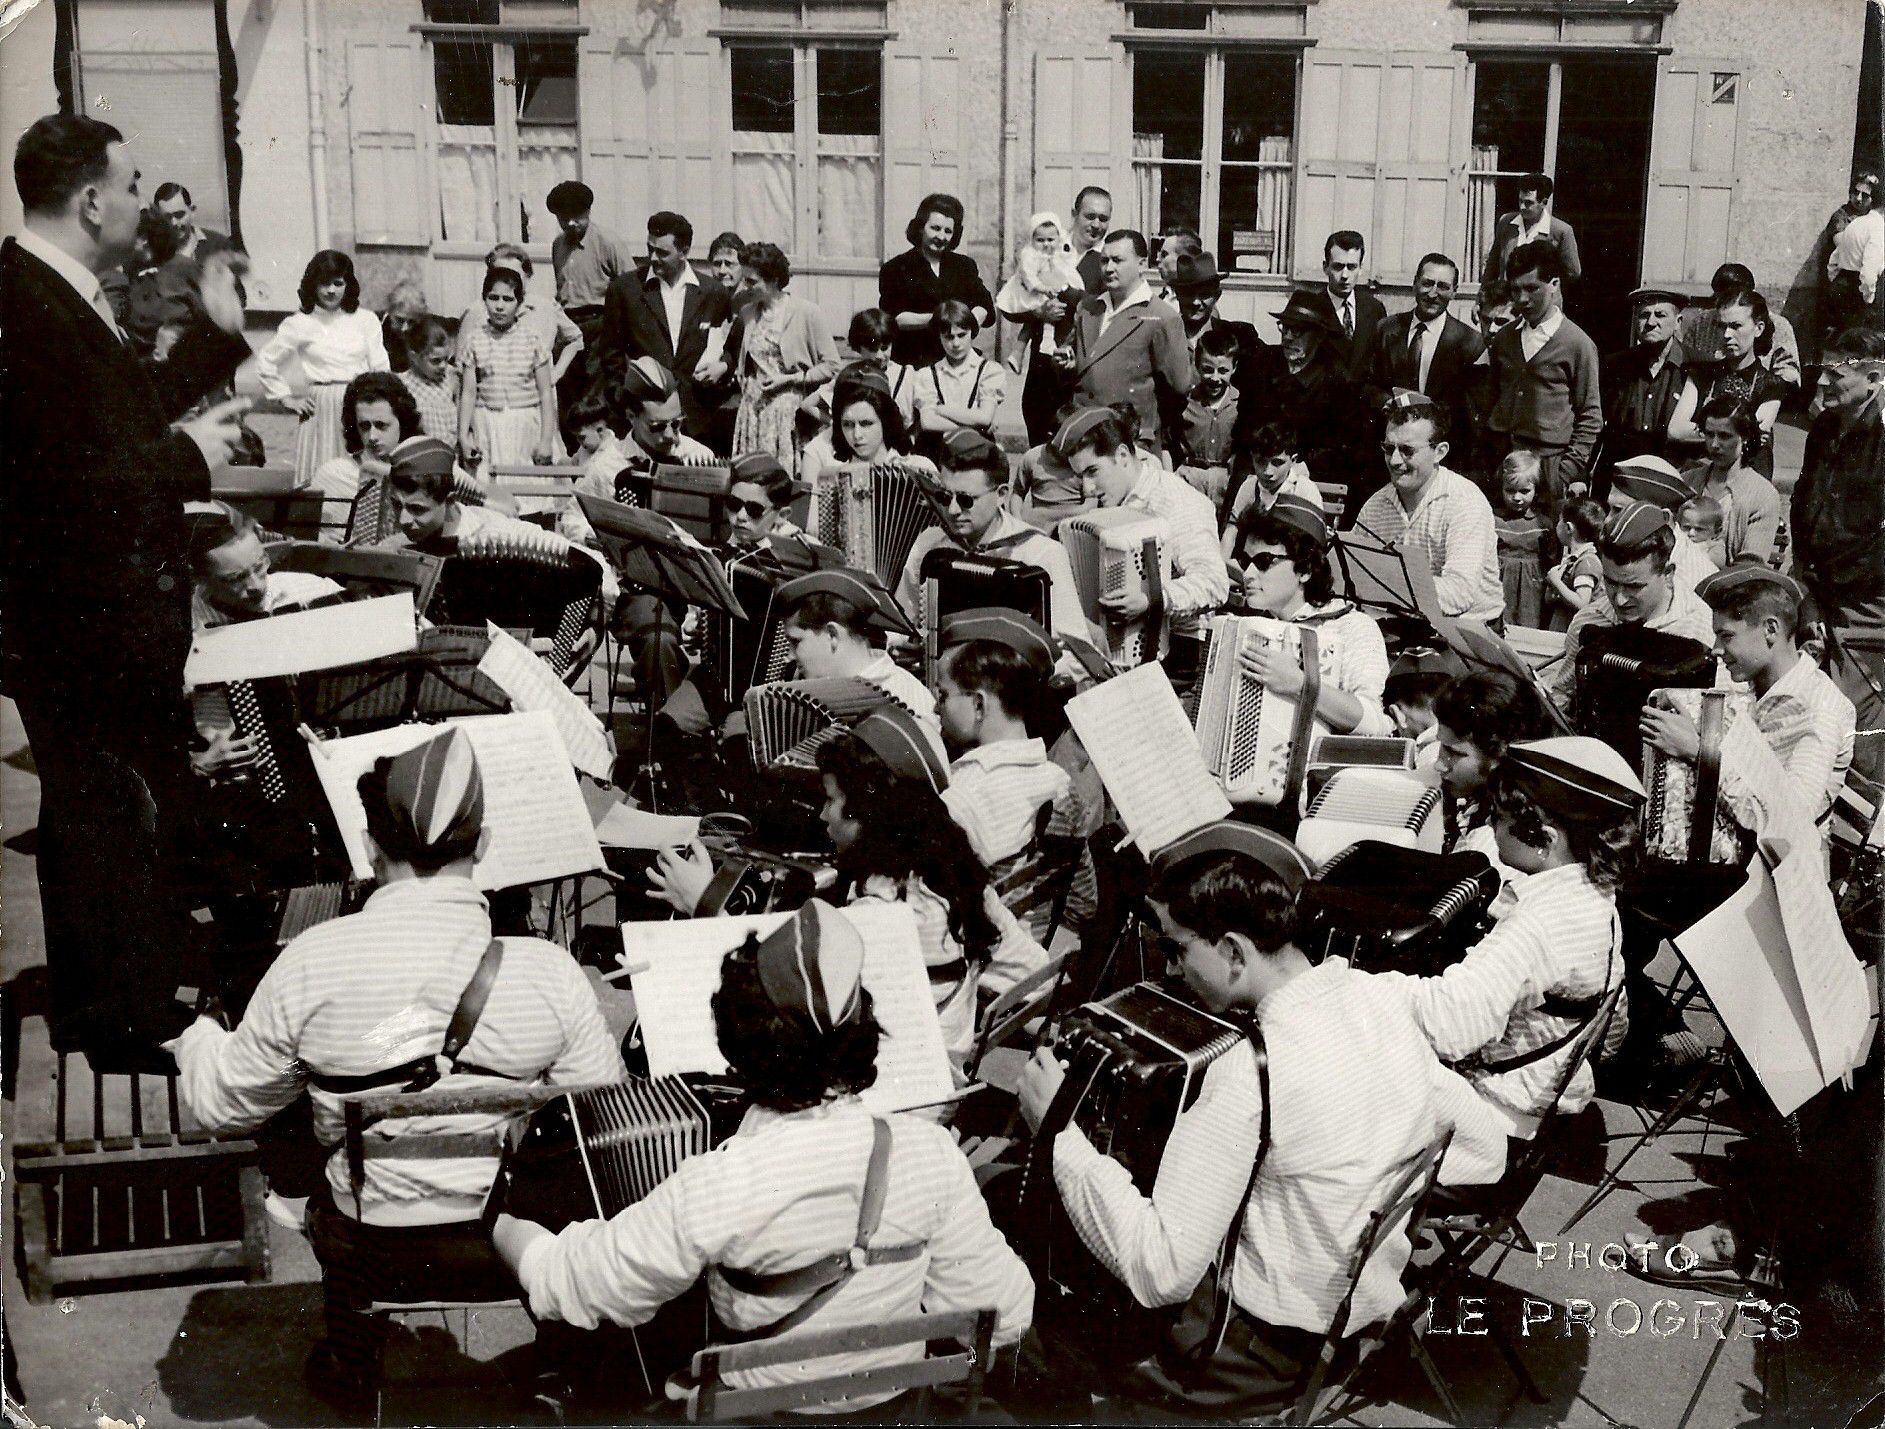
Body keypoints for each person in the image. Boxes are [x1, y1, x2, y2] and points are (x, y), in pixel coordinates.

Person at [166, 727, 625, 1415]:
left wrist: (198, 1035)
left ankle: (353, 1358)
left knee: (308, 1155)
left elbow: (223, 1107)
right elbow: (604, 1111)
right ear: (487, 845)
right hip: (507, 1238)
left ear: (372, 847)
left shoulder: (313, 960)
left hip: (367, 1240)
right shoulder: (550, 973)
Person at [1013, 822, 1504, 1420]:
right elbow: (1487, 1148)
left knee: (1016, 1296)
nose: (1171, 971)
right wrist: (1354, 1170)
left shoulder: (1250, 1075)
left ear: (1233, 952)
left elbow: (1161, 1274)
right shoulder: (1383, 1001)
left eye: (1177, 948)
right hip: (1353, 1323)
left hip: (1247, 1360)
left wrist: (1060, 1139)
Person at [494, 897, 1033, 1413]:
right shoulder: (932, 1153)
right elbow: (1006, 1314)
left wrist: (505, 1226)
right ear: (862, 1035)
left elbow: (574, 1284)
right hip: (894, 1413)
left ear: (735, 1043)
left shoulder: (723, 1183)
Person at [3, 113, 253, 1059]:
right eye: (134, 181)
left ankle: (102, 1007)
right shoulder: (28, 304)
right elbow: (71, 484)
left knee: (98, 816)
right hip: (81, 624)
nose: (145, 201)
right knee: (113, 819)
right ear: (92, 198)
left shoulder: (56, 291)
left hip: (95, 619)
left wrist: (213, 344)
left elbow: (117, 420)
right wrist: (188, 452)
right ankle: (124, 1022)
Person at [1374, 736, 1634, 1136]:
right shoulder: (1599, 901)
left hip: (1493, 1114)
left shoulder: (1538, 923)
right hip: (1551, 1100)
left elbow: (1451, 1024)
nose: (1491, 826)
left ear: (1545, 840)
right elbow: (1613, 1029)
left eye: (1497, 817)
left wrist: (1364, 988)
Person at [1642, 564, 1855, 859]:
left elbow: (1786, 823)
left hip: (1777, 877)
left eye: (1726, 636)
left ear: (1770, 629)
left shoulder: (1818, 709)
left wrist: (1698, 751)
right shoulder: (1753, 685)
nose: (1715, 649)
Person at [1052, 406, 1229, 680]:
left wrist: (1151, 600)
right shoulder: (1106, 505)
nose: (1087, 489)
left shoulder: (1177, 501)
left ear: (1123, 455)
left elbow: (1215, 583)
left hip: (1181, 655)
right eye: (1080, 477)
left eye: (1093, 472)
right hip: (1116, 654)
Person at [895, 429, 1088, 643]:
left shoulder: (1042, 553)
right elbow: (902, 623)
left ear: (1001, 495)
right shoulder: (929, 544)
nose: (952, 510)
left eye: (966, 500)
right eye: (945, 497)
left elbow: (1075, 653)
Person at [1791, 327, 1885, 757]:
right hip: (1821, 592)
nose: (1823, 382)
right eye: (1822, 371)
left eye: (1838, 373)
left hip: (1866, 602)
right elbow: (1803, 505)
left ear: (1874, 379)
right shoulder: (1825, 427)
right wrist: (1806, 585)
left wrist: (1834, 601)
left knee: (1847, 717)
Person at [1229, 497, 1395, 738]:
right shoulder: (1252, 626)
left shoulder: (1350, 626)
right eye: (1245, 561)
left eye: (1263, 562)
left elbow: (1374, 723)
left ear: (1305, 570)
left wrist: (1301, 684)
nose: (1248, 573)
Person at [932, 610, 1073, 867]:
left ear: (978, 705)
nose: (935, 708)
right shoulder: (1058, 780)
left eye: (942, 696)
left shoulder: (961, 800)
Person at [1352, 397, 1506, 627]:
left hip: (1469, 637)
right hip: (1404, 629)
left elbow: (1458, 595)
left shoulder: (1463, 501)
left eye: (1407, 450)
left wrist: (1385, 584)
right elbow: (1353, 572)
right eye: (1388, 448)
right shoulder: (1376, 506)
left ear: (1440, 452)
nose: (1394, 460)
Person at [1550, 501, 1716, 711]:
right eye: (1610, 582)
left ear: (1668, 574)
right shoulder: (1588, 620)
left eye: (1633, 586)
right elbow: (1563, 695)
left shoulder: (1703, 629)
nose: (1619, 599)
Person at [594, 209, 732, 443]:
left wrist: (722, 366)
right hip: (647, 421)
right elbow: (610, 354)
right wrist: (622, 399)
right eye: (650, 250)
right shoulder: (625, 289)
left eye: (662, 252)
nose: (653, 258)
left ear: (684, 252)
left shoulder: (713, 292)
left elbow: (729, 345)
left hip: (697, 418)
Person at [255, 249, 389, 488]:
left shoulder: (365, 320)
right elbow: (266, 361)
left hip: (360, 403)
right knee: (321, 475)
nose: (331, 290)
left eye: (338, 283)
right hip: (322, 407)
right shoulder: (300, 323)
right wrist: (285, 398)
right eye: (324, 283)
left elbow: (380, 367)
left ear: (348, 285)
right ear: (312, 285)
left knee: (362, 475)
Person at [1486, 241, 1602, 509]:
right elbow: (1492, 399)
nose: (1522, 299)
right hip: (1503, 462)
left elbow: (1590, 415)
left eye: (1532, 288)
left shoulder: (1577, 343)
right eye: (1516, 290)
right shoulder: (1504, 338)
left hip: (1548, 468)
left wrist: (1565, 473)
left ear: (1554, 284)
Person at [775, 568, 944, 750]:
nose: (789, 657)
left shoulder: (908, 700)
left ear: (833, 635)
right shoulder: (807, 688)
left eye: (796, 642)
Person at [1058, 229, 1192, 452]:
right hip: (1082, 433)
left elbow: (1179, 386)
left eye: (1117, 261)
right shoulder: (1088, 308)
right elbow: (1081, 367)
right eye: (1104, 261)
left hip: (1128, 441)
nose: (1108, 268)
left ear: (1141, 264)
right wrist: (1065, 363)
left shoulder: (1162, 316)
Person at [1235, 289, 1365, 514]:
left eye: (1299, 331)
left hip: (1308, 480)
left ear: (1319, 335)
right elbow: (1244, 422)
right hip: (1258, 470)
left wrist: (1307, 466)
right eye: (1285, 328)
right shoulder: (1263, 364)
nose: (1288, 337)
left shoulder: (1336, 380)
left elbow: (1344, 444)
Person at [1364, 253, 1485, 469]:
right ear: (1414, 284)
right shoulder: (1386, 329)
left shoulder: (1470, 343)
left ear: (1454, 292)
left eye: (1443, 286)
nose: (1433, 293)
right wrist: (1385, 401)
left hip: (1439, 456)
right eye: (1427, 283)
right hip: (1390, 451)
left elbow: (1467, 414)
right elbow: (1367, 382)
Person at [1013, 186, 1113, 444]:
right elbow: (1012, 300)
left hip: (1077, 374)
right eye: (1090, 216)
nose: (1096, 224)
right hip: (1040, 370)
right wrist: (1037, 311)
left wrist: (1068, 293)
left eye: (1103, 219)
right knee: (1038, 447)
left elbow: (1100, 309)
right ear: (1074, 214)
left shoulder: (1107, 262)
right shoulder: (1048, 246)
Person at [732, 242, 840, 476]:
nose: (745, 287)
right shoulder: (747, 312)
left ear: (773, 280)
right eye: (744, 280)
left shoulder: (806, 312)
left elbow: (832, 366)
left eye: (752, 282)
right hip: (753, 413)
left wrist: (790, 380)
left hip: (788, 416)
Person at [1432, 670, 1548, 873]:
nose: (1439, 765)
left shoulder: (1489, 847)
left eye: (1453, 753)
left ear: (1500, 754)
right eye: (1441, 747)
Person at [1665, 288, 1789, 478]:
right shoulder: (1701, 373)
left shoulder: (1771, 384)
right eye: (1722, 326)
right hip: (1700, 477)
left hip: (1747, 477)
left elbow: (1756, 437)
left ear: (1759, 328)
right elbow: (1675, 430)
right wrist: (1733, 434)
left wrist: (1700, 431)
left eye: (1735, 326)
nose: (1726, 335)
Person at [457, 265, 559, 479]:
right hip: (488, 425)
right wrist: (464, 436)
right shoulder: (474, 339)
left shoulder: (532, 339)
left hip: (525, 425)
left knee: (529, 490)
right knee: (491, 491)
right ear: (484, 300)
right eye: (493, 298)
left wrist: (546, 440)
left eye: (508, 299)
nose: (500, 306)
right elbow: (468, 393)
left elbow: (546, 394)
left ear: (519, 303)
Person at [878, 192, 994, 369]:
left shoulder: (964, 265)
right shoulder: (896, 267)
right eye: (935, 228)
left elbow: (986, 308)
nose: (941, 237)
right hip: (914, 361)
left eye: (948, 231)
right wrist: (942, 319)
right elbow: (893, 318)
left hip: (958, 360)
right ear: (920, 227)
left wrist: (966, 322)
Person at [546, 179, 631, 417]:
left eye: (576, 217)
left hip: (600, 324)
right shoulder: (558, 245)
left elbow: (631, 289)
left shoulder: (608, 242)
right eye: (563, 218)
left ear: (588, 212)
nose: (570, 224)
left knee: (596, 392)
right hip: (568, 325)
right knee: (567, 391)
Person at [454, 245, 584, 397]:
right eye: (500, 274)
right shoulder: (477, 311)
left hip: (539, 400)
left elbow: (575, 339)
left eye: (515, 275)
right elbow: (460, 367)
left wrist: (556, 373)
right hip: (493, 402)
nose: (508, 281)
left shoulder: (546, 307)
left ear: (527, 276)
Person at [187, 501, 342, 629]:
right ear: (200, 578)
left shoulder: (316, 589)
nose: (257, 586)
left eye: (259, 566)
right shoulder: (188, 626)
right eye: (235, 579)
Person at [308, 371, 424, 540]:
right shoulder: (335, 473)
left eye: (381, 425)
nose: (372, 437)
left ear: (403, 422)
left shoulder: (425, 466)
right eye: (364, 426)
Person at [1599, 286, 1691, 494]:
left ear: (1678, 323)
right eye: (1644, 315)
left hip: (1672, 479)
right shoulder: (1616, 365)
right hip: (1622, 481)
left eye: (1660, 315)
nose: (1651, 323)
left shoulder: (1695, 367)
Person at [1681, 389, 1784, 566]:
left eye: (1724, 436)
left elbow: (1750, 565)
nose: (1714, 444)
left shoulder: (1763, 495)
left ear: (1744, 437)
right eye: (1709, 434)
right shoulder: (1687, 481)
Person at [1605, 454, 1724, 595]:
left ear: (1664, 519)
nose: (1607, 520)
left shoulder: (1690, 579)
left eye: (1618, 510)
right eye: (1610, 509)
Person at [1675, 263, 1801, 387]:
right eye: (1722, 298)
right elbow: (1686, 362)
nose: (1729, 304)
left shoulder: (1779, 325)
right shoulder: (1701, 322)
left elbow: (1789, 374)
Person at [1165, 253, 1265, 390]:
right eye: (1188, 293)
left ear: (1217, 296)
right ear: (1177, 294)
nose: (1195, 302)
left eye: (1204, 295)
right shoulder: (1161, 337)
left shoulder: (1241, 336)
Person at [1222, 421, 1323, 555]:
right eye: (1260, 462)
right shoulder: (1249, 486)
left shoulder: (1303, 489)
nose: (1267, 472)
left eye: (1277, 463)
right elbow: (1231, 532)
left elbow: (1312, 548)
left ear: (1293, 460)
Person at [913, 300, 1007, 443]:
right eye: (949, 337)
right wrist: (975, 423)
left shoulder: (989, 371)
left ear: (972, 332)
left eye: (962, 335)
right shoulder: (927, 374)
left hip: (978, 448)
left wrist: (940, 409)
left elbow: (985, 417)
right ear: (939, 336)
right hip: (938, 450)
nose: (956, 344)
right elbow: (928, 422)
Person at [996, 211, 1085, 360]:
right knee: (1038, 318)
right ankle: (1019, 352)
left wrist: (1066, 287)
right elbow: (1028, 277)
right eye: (1040, 240)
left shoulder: (1062, 253)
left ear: (1058, 238)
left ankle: (1033, 348)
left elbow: (1068, 271)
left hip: (1067, 323)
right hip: (1034, 293)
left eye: (1050, 239)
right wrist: (1043, 292)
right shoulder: (1031, 256)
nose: (1046, 244)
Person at [1174, 326, 1242, 504]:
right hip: (1189, 478)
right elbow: (1168, 442)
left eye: (1223, 371)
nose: (1215, 378)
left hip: (1225, 481)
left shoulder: (1241, 405)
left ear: (1234, 368)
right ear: (1196, 365)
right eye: (1208, 369)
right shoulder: (1185, 403)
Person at [1304, 229, 1386, 374]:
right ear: (1325, 267)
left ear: (1361, 268)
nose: (1345, 275)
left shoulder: (1374, 309)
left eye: (1352, 267)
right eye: (1338, 266)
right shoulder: (1310, 309)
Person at [1481, 172, 1582, 286]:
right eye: (1520, 201)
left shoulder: (1561, 231)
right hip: (1509, 300)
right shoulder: (1506, 223)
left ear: (1544, 203)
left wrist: (1546, 287)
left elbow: (1573, 273)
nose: (1522, 207)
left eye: (1528, 203)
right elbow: (1492, 266)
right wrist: (1482, 300)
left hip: (1541, 301)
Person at [1824, 170, 1883, 343]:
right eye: (1855, 192)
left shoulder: (1871, 220)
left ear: (1873, 200)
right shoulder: (1841, 216)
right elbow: (1842, 244)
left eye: (1865, 195)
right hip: (1841, 281)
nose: (1858, 198)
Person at [1496, 448, 1551, 628]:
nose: (1517, 497)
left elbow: (1550, 559)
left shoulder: (1543, 524)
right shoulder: (1493, 520)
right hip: (1500, 585)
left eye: (1524, 491)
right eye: (1510, 491)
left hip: (1532, 589)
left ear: (1536, 489)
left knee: (1530, 626)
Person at [396, 314, 459, 442]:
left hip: (453, 453)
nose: (443, 366)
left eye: (446, 359)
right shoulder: (403, 385)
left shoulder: (450, 377)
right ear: (414, 357)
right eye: (435, 361)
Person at [1545, 497, 1605, 631]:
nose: (1557, 525)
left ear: (1568, 527)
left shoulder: (1587, 562)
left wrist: (1556, 582)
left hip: (1575, 631)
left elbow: (1582, 603)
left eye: (1559, 521)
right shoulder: (1573, 560)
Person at [149, 181, 231, 264]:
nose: (174, 222)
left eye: (179, 214)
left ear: (192, 211)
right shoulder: (153, 253)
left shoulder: (219, 245)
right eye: (167, 217)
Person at [1676, 497, 1726, 570]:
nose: (1691, 533)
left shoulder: (1716, 547)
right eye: (1686, 527)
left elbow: (1714, 562)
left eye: (1699, 529)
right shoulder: (1680, 539)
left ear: (1716, 532)